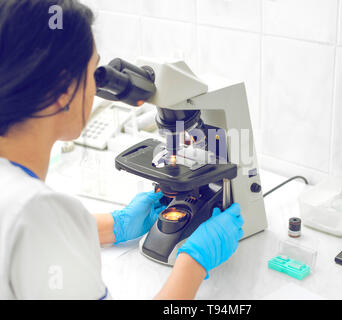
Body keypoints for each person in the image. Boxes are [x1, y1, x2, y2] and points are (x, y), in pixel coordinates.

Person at [0, 0, 244, 300]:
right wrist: (193, 265)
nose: (95, 89)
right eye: (93, 74)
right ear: (64, 90)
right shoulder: (39, 213)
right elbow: (36, 227)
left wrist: (113, 225)